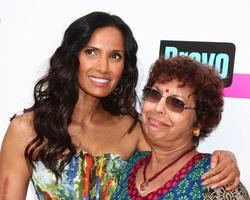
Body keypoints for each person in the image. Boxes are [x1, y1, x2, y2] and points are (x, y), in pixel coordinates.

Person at [0, 12, 240, 200]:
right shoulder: (27, 129)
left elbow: (176, 158)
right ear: (73, 56)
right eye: (91, 52)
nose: (103, 67)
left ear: (125, 65)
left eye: (115, 56)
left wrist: (224, 158)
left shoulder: (133, 129)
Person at [112, 56, 249, 200]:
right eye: (154, 94)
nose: (158, 108)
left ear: (199, 122)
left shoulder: (218, 180)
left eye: (177, 103)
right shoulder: (130, 164)